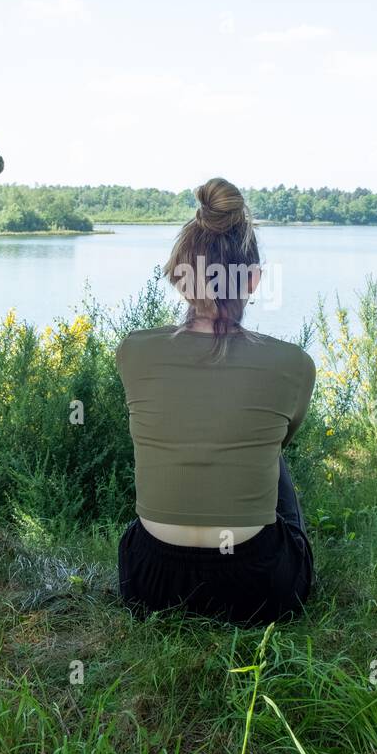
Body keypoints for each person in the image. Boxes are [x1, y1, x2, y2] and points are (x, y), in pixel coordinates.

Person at [115, 177, 316, 626]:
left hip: (150, 583)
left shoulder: (134, 351)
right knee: (270, 452)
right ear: (255, 280)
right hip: (260, 588)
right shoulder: (293, 363)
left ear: (177, 275)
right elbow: (281, 442)